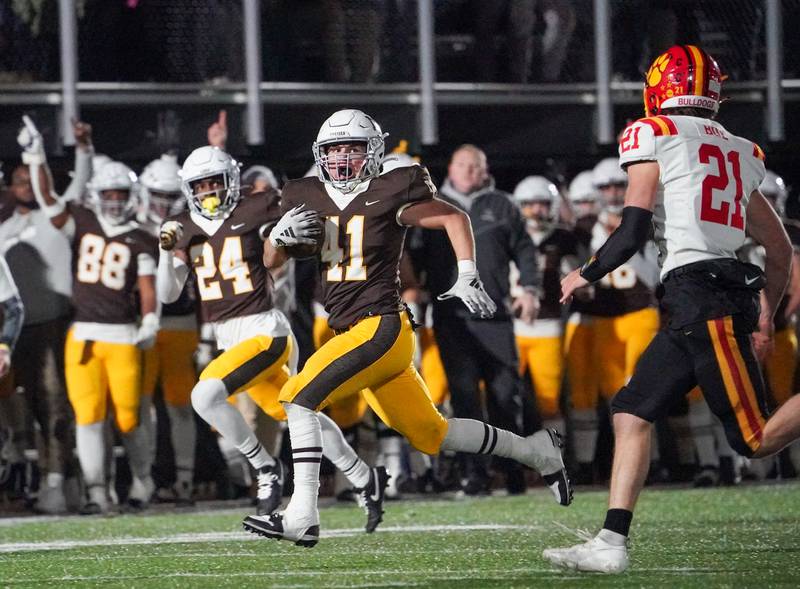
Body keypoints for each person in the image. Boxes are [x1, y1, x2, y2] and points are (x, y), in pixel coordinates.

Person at [242, 108, 572, 548]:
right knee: (432, 434)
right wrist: (276, 238)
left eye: (353, 149)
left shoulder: (391, 187)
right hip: (351, 333)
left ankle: (302, 516)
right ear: (321, 155)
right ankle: (538, 451)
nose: (342, 158)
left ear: (373, 152)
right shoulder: (306, 195)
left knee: (297, 397)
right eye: (335, 149)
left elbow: (455, 218)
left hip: (380, 326)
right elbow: (270, 262)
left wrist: (467, 272)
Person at [543, 45, 800, 573]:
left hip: (703, 295)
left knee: (753, 439)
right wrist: (768, 312)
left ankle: (611, 543)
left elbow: (634, 227)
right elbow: (779, 249)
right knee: (630, 411)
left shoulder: (652, 132)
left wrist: (583, 272)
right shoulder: (741, 150)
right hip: (706, 296)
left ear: (660, 87)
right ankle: (611, 544)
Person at [157, 145, 386, 524]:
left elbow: (296, 232)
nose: (210, 192)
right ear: (189, 189)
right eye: (201, 185)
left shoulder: (258, 206)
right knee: (297, 413)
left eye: (216, 182)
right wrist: (165, 253)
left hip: (265, 331)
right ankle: (364, 476)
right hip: (231, 339)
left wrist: (288, 234)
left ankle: (265, 469)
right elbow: (168, 294)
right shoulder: (184, 226)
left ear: (233, 182)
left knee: (204, 394)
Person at [18, 116, 160, 514]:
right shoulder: (82, 220)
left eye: (120, 194)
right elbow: (48, 199)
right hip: (83, 335)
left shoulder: (142, 237)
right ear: (98, 195)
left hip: (123, 335)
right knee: (89, 416)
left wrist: (149, 319)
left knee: (130, 419)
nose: (114, 201)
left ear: (130, 196)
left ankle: (142, 479)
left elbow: (147, 288)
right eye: (109, 194)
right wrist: (35, 154)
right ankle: (97, 492)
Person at [410, 144, 542, 496]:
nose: (469, 171)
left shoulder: (502, 205)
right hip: (452, 317)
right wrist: (411, 295)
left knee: (505, 396)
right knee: (464, 397)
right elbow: (413, 258)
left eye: (476, 166)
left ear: (485, 171)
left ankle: (511, 469)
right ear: (451, 168)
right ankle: (474, 472)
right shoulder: (431, 206)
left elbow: (525, 250)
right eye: (463, 165)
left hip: (495, 315)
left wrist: (530, 288)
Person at [0, 122, 90, 513]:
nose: (24, 185)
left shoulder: (56, 217)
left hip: (55, 325)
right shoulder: (4, 230)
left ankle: (61, 482)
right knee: (24, 409)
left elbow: (79, 185)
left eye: (28, 179)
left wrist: (83, 149)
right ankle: (45, 480)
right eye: (17, 180)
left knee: (56, 407)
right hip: (16, 332)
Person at [138, 153, 199, 505]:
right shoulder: (131, 228)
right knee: (142, 405)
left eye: (167, 196)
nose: (161, 204)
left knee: (179, 405)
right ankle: (143, 478)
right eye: (155, 195)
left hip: (180, 322)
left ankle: (185, 480)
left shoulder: (189, 227)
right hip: (141, 324)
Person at [511, 175, 579, 437]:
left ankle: (556, 461)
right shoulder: (509, 235)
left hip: (548, 325)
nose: (536, 210)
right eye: (529, 205)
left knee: (549, 401)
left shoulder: (564, 239)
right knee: (501, 398)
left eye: (541, 204)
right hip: (512, 327)